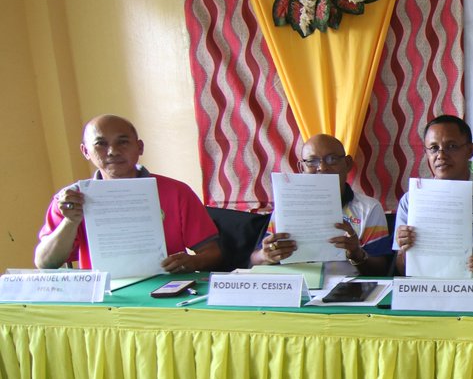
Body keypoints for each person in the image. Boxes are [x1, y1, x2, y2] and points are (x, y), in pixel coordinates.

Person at [35, 114, 222, 273]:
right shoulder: (71, 199)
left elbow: (213, 253)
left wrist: (192, 262)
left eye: (122, 142)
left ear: (139, 147)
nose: (113, 151)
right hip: (103, 297)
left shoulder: (176, 192)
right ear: (85, 151)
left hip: (168, 290)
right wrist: (70, 222)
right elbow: (45, 263)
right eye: (100, 144)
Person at [394, 116, 473, 277]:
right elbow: (401, 268)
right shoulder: (411, 201)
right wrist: (404, 250)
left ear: (470, 150)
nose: (441, 155)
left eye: (451, 146)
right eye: (434, 148)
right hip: (427, 291)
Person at [252, 134, 392, 276]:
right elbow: (254, 260)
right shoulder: (288, 206)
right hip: (296, 285)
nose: (322, 167)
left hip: (345, 289)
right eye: (312, 161)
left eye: (332, 159)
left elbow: (381, 270)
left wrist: (356, 253)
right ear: (302, 168)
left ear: (348, 164)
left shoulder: (369, 208)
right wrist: (265, 256)